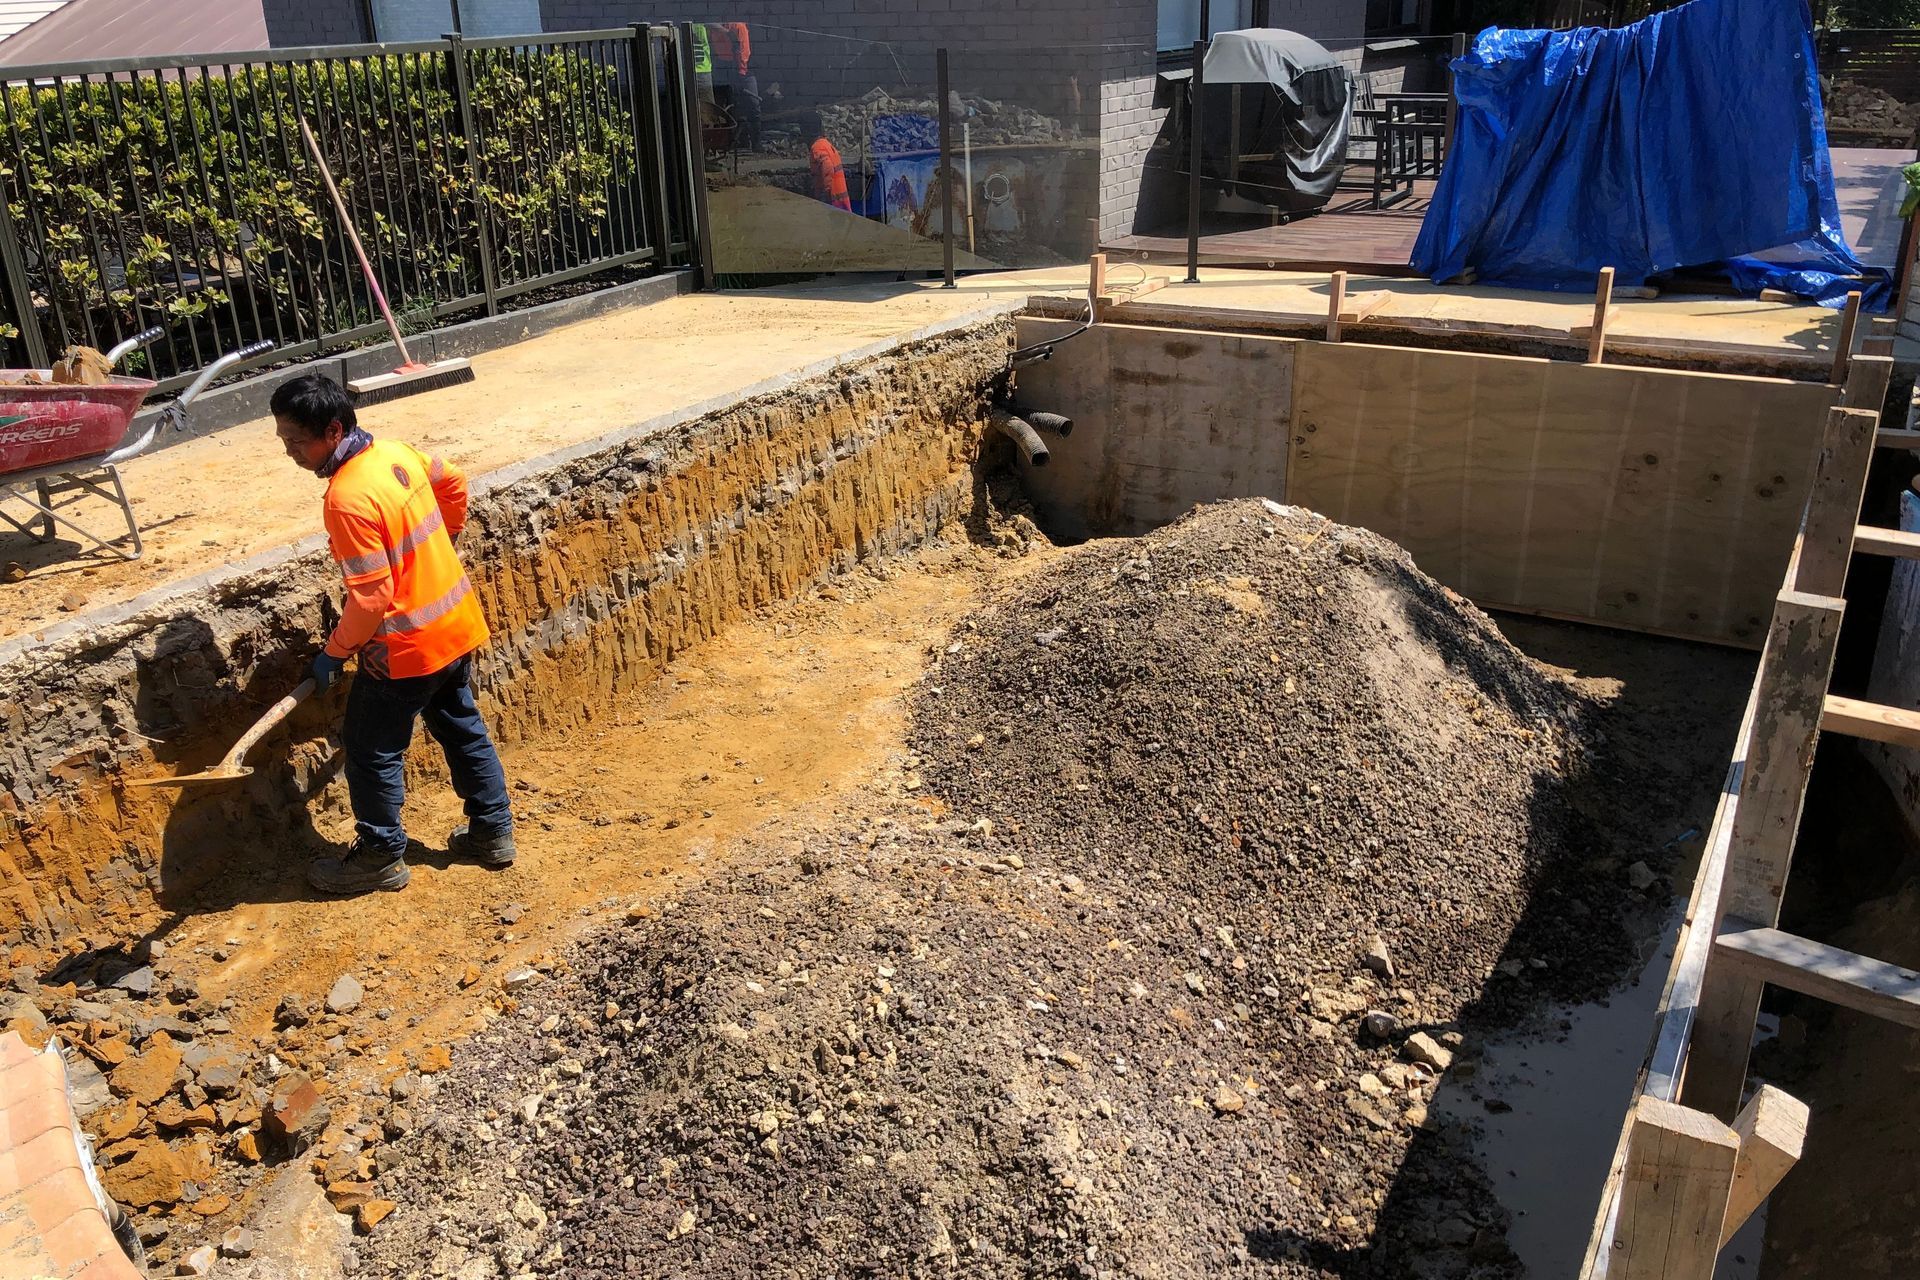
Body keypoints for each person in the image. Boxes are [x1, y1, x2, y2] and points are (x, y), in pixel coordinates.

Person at [271, 374, 516, 894]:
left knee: (370, 748)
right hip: (453, 625)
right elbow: (454, 480)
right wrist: (445, 539)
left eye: (297, 439)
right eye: (283, 440)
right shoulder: (394, 454)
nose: (289, 452)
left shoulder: (345, 498)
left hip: (405, 649)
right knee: (461, 726)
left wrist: (335, 652)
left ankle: (380, 854)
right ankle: (492, 832)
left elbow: (371, 597)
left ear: (333, 430)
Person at [802, 110, 851, 213]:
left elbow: (827, 167)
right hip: (840, 203)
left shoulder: (817, 148)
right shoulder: (825, 144)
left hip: (833, 204)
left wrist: (824, 197)